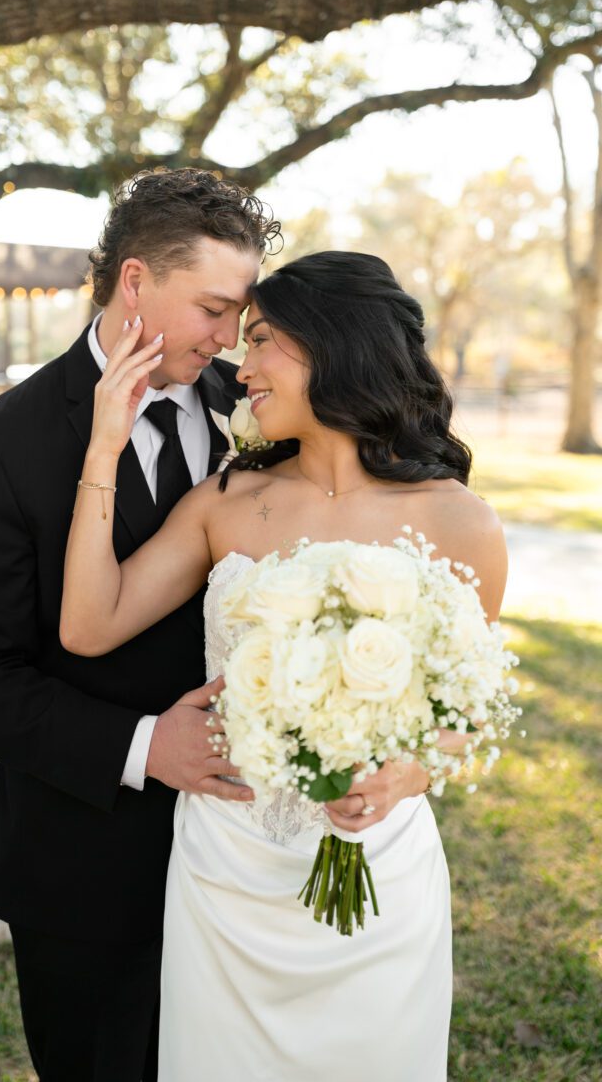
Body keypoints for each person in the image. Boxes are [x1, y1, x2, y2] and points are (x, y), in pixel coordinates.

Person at [60, 250, 508, 1082]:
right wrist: (103, 448)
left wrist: (405, 772)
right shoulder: (227, 502)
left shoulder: (460, 521)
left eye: (262, 340)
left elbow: (470, 712)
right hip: (226, 874)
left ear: (333, 345)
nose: (241, 365)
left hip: (377, 872)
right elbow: (89, 624)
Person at [0, 167, 283, 1082]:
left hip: (247, 859)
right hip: (85, 868)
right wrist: (141, 746)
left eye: (240, 317)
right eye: (212, 308)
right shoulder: (3, 441)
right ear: (135, 281)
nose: (227, 339)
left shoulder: (251, 410)